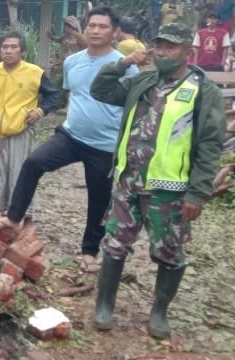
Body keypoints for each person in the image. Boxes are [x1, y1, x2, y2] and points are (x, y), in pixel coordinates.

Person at [89, 23, 225, 339]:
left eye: (171, 47)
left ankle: (159, 311)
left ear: (187, 52)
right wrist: (123, 62)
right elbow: (101, 90)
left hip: (169, 190)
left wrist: (198, 192)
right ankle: (104, 306)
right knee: (114, 244)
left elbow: (209, 145)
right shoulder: (143, 81)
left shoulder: (204, 92)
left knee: (170, 251)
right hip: (128, 182)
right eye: (159, 46)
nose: (163, 52)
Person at [0, 7, 137, 274]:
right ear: (84, 29)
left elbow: (134, 105)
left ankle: (90, 252)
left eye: (103, 27)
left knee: (98, 198)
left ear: (114, 32)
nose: (96, 31)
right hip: (71, 135)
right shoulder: (72, 61)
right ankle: (14, 217)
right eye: (92, 26)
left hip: (104, 144)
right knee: (33, 162)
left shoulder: (126, 66)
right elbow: (73, 96)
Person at [0, 32, 59, 215]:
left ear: (22, 51)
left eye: (13, 47)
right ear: (0, 50)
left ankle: (18, 214)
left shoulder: (34, 73)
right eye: (5, 47)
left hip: (20, 131)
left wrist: (39, 111)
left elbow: (54, 96)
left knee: (19, 174)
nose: (8, 51)